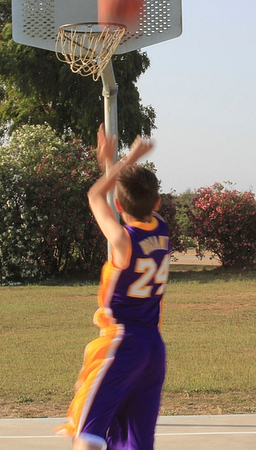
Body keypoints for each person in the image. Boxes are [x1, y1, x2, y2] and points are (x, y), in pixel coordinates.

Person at [55, 124, 171, 450]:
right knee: (135, 442)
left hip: (123, 344)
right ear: (157, 203)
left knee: (88, 434)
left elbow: (95, 196)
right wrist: (120, 163)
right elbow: (121, 198)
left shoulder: (122, 242)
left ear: (119, 208)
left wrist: (125, 157)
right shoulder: (162, 230)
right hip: (153, 349)